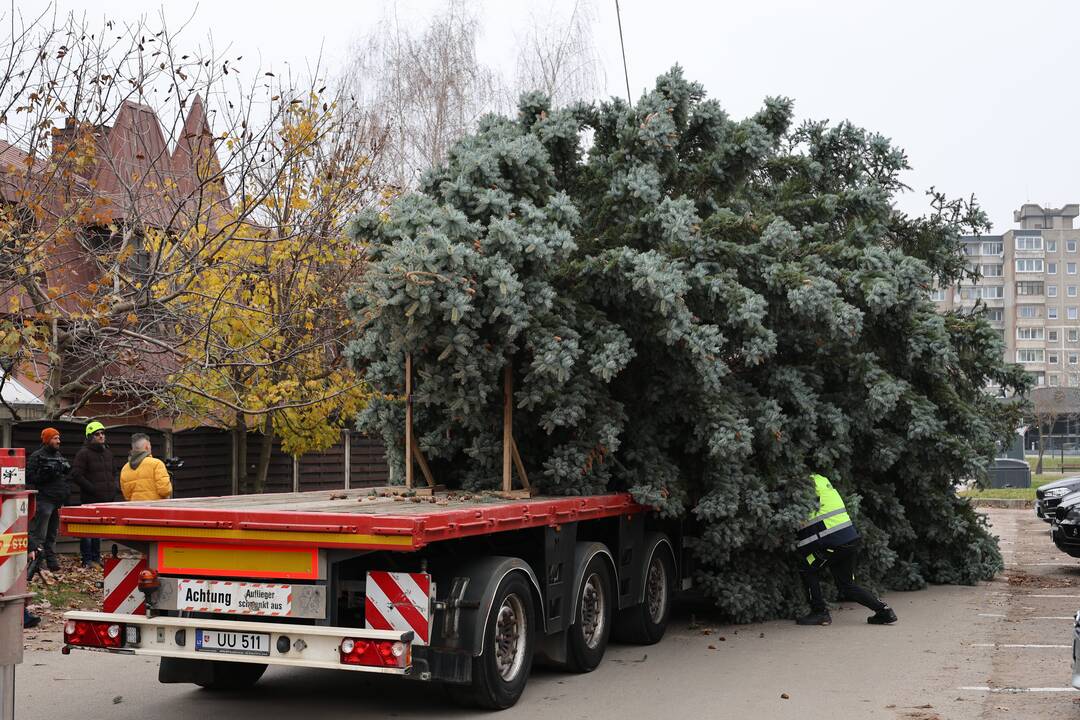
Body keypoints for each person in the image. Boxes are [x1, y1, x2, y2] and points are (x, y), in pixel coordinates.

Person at [795, 473, 897, 626]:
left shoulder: (803, 486)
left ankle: (820, 612)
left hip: (832, 544)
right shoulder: (822, 482)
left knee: (807, 567)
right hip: (848, 540)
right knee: (847, 585)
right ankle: (884, 611)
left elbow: (803, 517)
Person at [69, 421, 116, 568]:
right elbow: (76, 475)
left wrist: (113, 489)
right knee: (88, 532)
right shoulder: (83, 454)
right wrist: (92, 488)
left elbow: (113, 472)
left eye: (102, 433)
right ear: (90, 436)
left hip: (105, 500)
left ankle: (96, 558)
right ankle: (87, 560)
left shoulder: (108, 452)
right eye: (97, 434)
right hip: (90, 499)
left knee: (98, 532)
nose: (101, 436)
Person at [25, 427, 70, 573]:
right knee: (40, 534)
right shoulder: (36, 456)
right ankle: (37, 563)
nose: (58, 441)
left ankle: (51, 562)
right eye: (55, 438)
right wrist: (46, 475)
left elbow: (64, 475)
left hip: (57, 500)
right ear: (47, 440)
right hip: (44, 500)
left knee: (52, 534)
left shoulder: (58, 455)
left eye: (58, 438)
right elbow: (29, 477)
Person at [120, 433, 172, 501]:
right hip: (155, 507)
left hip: (135, 508)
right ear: (147, 447)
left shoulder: (125, 469)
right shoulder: (156, 464)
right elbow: (165, 490)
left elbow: (127, 496)